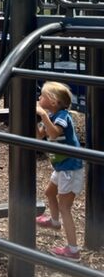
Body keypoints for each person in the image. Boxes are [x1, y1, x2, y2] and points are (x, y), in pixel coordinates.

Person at [36, 81, 84, 262]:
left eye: (42, 96)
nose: (39, 98)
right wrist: (35, 117)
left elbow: (54, 133)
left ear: (53, 101)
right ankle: (54, 222)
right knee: (49, 193)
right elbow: (40, 135)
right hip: (61, 166)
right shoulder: (51, 114)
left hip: (71, 168)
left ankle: (73, 250)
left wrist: (42, 115)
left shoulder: (62, 116)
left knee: (65, 207)